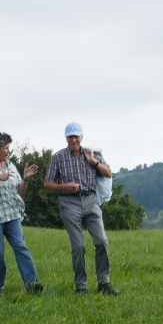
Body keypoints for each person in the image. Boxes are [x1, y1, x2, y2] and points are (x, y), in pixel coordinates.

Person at [43, 122, 117, 295]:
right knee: (78, 246)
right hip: (69, 203)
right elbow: (47, 183)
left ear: (81, 137)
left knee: (102, 241)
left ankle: (104, 283)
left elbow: (108, 173)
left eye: (76, 136)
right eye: (70, 136)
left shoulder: (93, 154)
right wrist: (65, 187)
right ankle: (81, 285)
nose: (74, 139)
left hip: (91, 200)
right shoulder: (58, 157)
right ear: (66, 138)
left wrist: (94, 162)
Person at [0, 131, 43, 295]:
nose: (8, 151)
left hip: (12, 214)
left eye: (8, 147)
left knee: (21, 247)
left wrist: (25, 179)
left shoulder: (10, 165)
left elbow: (20, 192)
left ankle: (32, 284)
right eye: (5, 148)